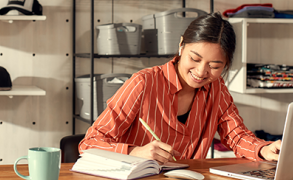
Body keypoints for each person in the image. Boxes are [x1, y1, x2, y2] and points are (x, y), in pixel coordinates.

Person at [78, 12, 282, 164]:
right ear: (181, 46)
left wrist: (264, 149)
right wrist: (134, 152)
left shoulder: (217, 88)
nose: (202, 72)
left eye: (215, 66)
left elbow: (236, 135)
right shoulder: (143, 83)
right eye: (195, 58)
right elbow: (89, 143)